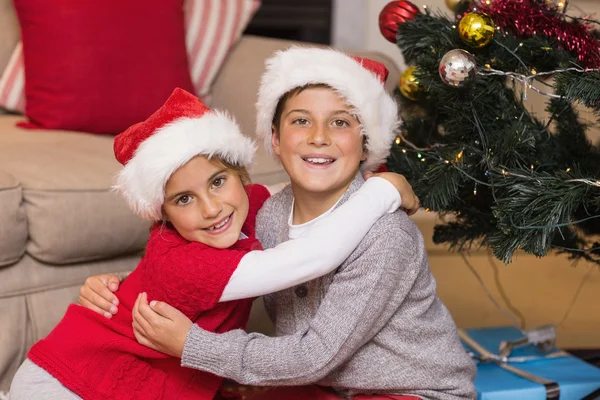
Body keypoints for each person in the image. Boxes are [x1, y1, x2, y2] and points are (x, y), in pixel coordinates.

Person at [79, 48, 476, 400]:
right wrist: (120, 285)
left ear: (366, 144)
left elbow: (313, 356)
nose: (319, 137)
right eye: (301, 121)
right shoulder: (266, 214)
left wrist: (192, 345)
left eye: (340, 123)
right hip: (326, 386)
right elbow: (196, 258)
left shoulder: (386, 235)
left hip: (411, 390)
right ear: (275, 138)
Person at [8, 87, 413, 400]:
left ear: (241, 177)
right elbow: (312, 258)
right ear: (163, 215)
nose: (211, 208)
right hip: (66, 381)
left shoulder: (247, 204)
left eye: (218, 182)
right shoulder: (186, 262)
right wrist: (382, 191)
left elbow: (295, 191)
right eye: (184, 199)